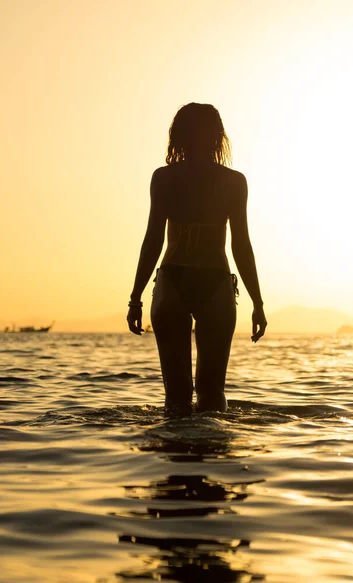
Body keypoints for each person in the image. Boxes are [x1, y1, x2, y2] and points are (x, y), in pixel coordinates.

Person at [127, 103, 267, 417]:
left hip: (172, 282)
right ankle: (211, 455)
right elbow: (241, 245)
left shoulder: (164, 178)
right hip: (215, 283)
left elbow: (153, 240)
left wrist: (135, 298)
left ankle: (176, 457)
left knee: (176, 397)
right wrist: (257, 302)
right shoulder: (233, 182)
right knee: (212, 393)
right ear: (218, 137)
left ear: (179, 137)